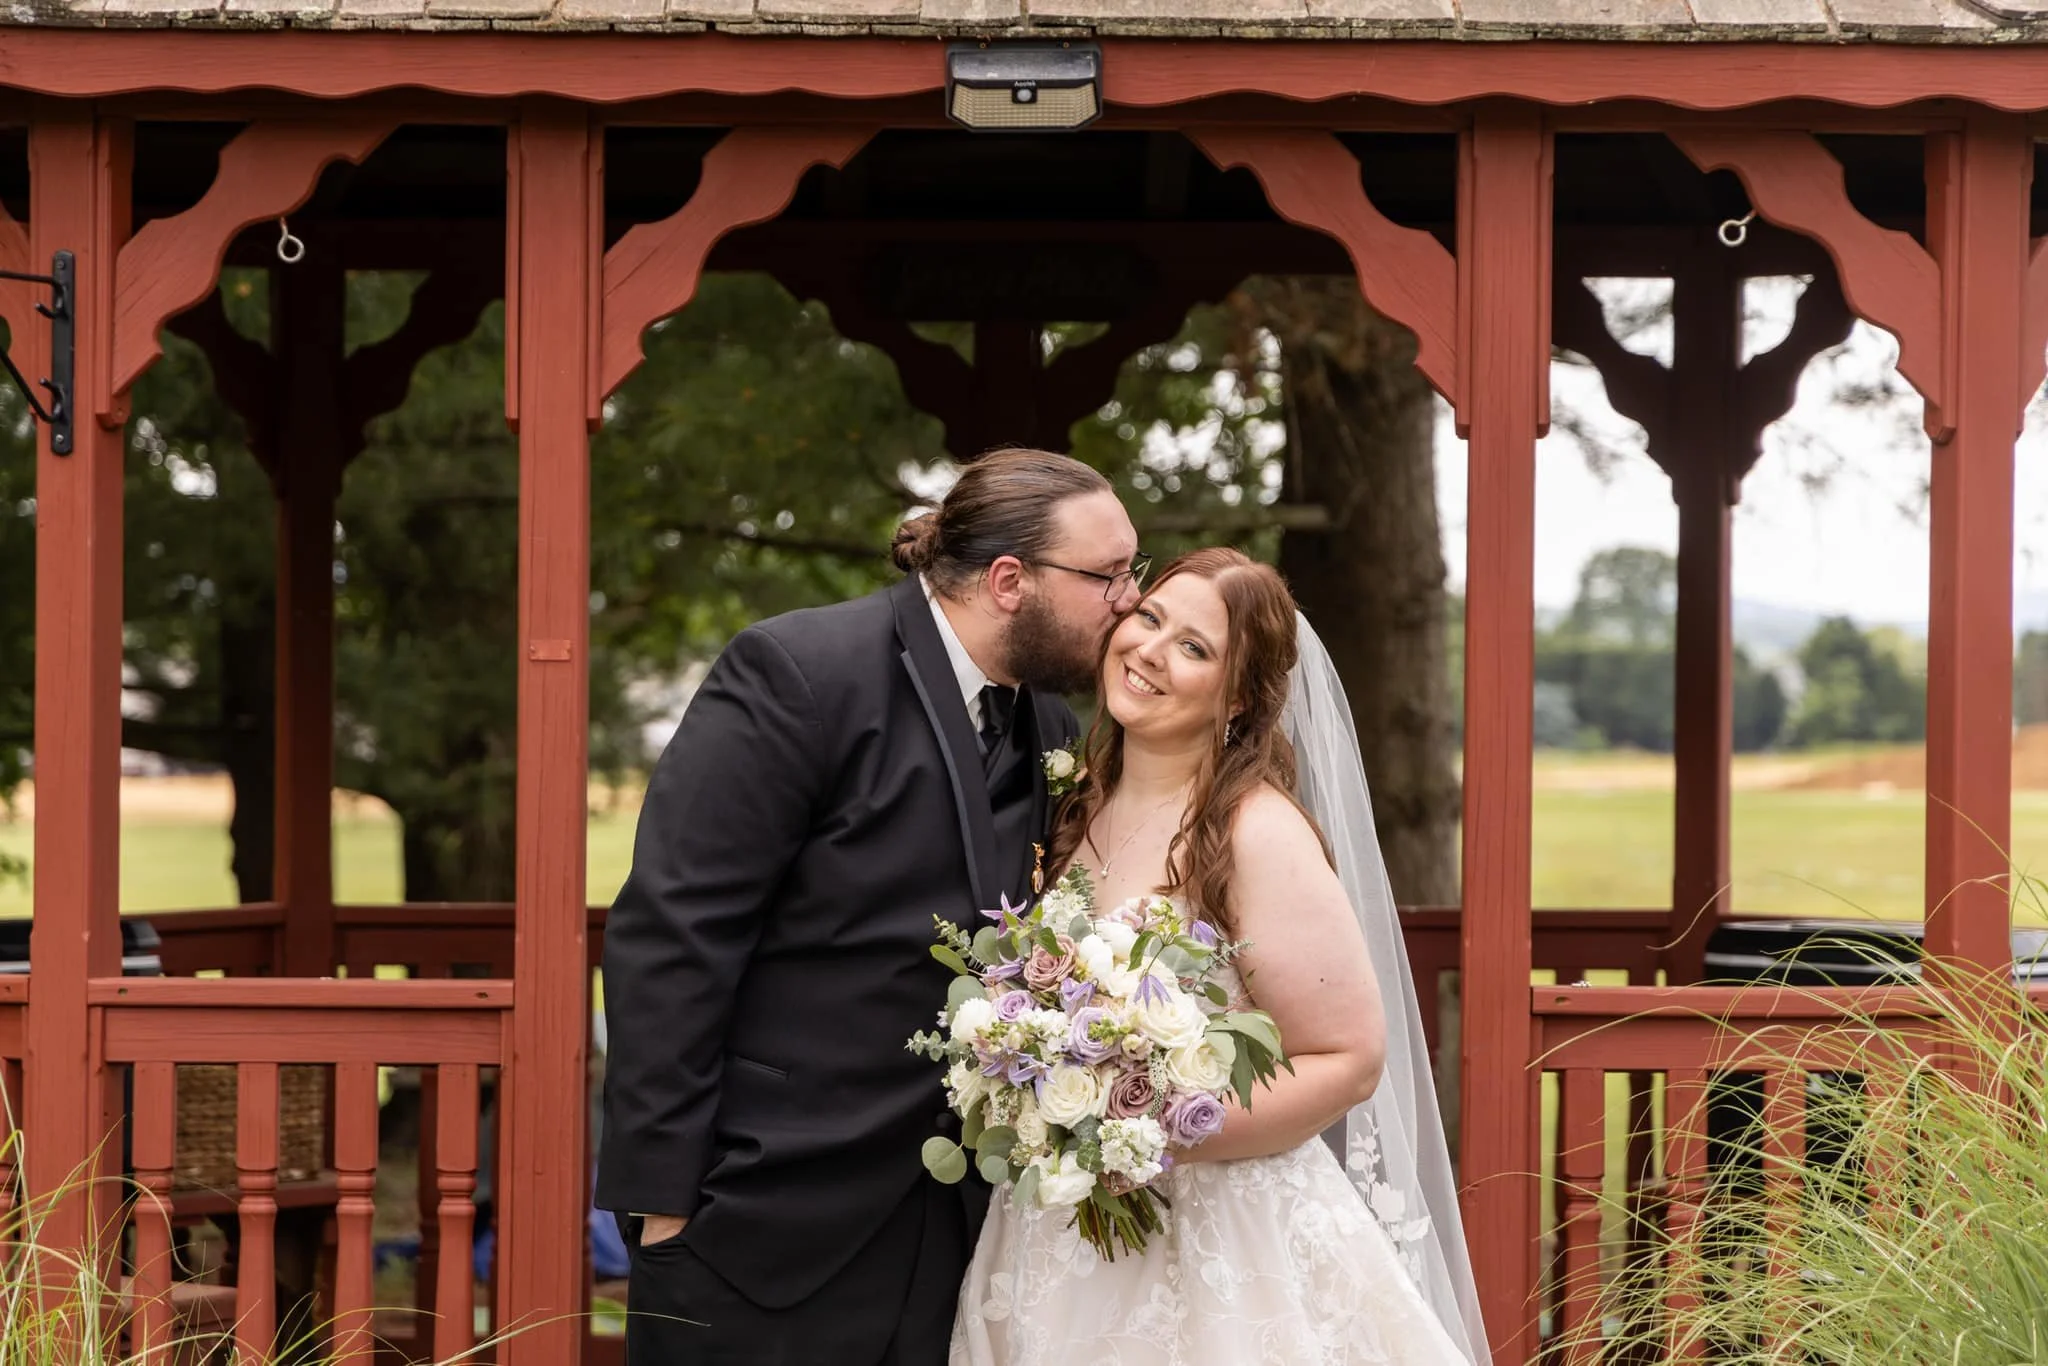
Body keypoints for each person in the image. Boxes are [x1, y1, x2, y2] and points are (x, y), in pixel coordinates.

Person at [596, 447, 1146, 1366]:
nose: (1130, 598)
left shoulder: (1048, 726)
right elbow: (673, 937)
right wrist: (663, 1205)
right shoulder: (800, 672)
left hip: (958, 1232)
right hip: (763, 1216)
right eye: (1109, 575)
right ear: (1010, 580)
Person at [951, 547, 1486, 1365]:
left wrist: (1146, 1129)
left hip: (1217, 1252)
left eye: (1195, 648)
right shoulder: (1071, 804)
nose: (1151, 652)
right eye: (1150, 618)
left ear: (1236, 699)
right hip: (1052, 1234)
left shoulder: (1253, 831)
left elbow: (1348, 1058)